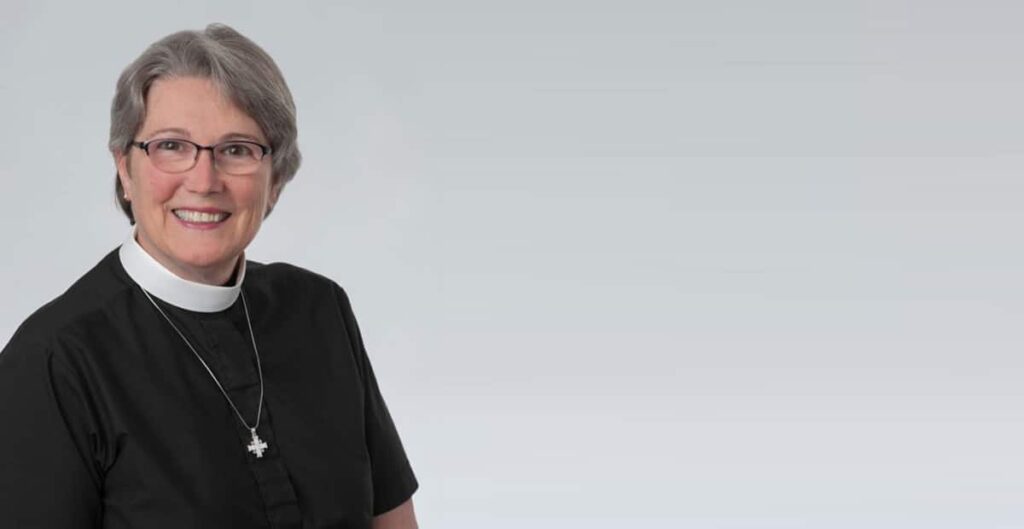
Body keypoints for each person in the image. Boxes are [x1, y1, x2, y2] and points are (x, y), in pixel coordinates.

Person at [0, 24, 419, 528]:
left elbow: (392, 521)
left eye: (237, 149)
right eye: (172, 146)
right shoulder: (54, 361)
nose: (203, 181)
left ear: (276, 180)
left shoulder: (320, 309)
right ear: (126, 171)